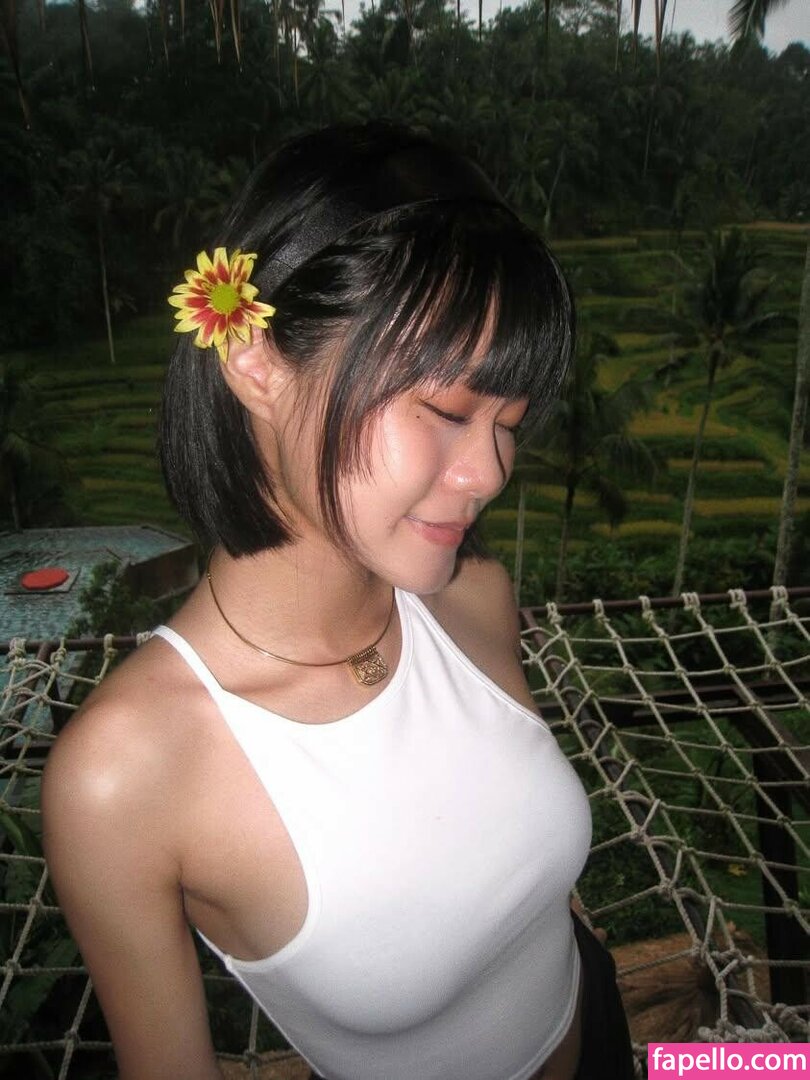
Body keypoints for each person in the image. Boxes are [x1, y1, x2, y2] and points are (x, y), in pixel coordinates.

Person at [42, 123, 635, 1080]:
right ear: (256, 365)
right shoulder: (126, 776)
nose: (489, 472)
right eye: (446, 412)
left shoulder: (470, 598)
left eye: (509, 424)